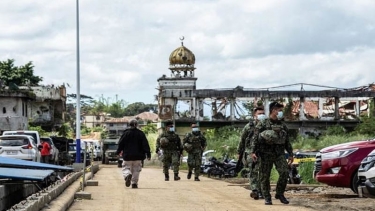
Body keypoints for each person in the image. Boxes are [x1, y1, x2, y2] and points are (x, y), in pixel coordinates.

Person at [251, 102, 294, 205]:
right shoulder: (263, 123)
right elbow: (255, 138)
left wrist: (291, 154)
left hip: (279, 154)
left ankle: (280, 193)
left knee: (284, 172)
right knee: (264, 176)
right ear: (273, 111)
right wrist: (253, 151)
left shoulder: (282, 125)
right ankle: (267, 197)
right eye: (279, 110)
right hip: (265, 154)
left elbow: (287, 140)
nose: (280, 113)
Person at [236, 107, 266, 199]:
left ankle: (261, 190)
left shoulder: (266, 126)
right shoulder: (249, 127)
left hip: (263, 152)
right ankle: (255, 190)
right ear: (254, 115)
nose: (261, 115)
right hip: (249, 152)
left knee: (263, 172)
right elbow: (242, 140)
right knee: (253, 171)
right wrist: (239, 152)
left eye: (263, 113)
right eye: (259, 113)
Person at [116, 119, 151, 189]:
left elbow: (121, 143)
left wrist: (118, 152)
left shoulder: (126, 133)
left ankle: (127, 175)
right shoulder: (141, 133)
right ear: (137, 125)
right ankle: (134, 183)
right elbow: (145, 144)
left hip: (127, 155)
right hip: (138, 156)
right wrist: (148, 154)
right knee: (136, 170)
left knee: (126, 167)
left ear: (129, 125)